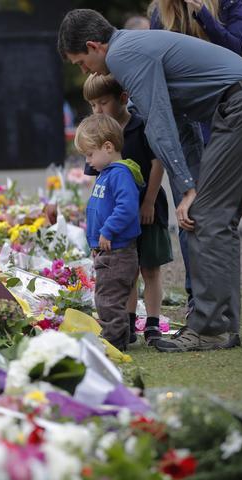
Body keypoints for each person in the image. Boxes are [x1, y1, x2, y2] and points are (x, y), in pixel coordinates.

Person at [58, 9, 242, 352]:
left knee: (205, 215)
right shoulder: (135, 46)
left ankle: (211, 328)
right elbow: (180, 122)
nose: (86, 71)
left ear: (93, 45)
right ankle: (223, 325)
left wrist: (188, 189)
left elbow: (158, 122)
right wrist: (193, 183)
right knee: (216, 217)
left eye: (82, 62)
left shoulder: (123, 54)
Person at [149, 0, 242, 314]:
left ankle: (224, 299)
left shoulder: (230, 3)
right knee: (187, 214)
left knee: (220, 216)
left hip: (223, 117)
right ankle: (197, 297)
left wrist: (204, 17)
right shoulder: (159, 11)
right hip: (183, 122)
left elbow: (236, 49)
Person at [82, 73, 172, 346]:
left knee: (150, 268)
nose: (98, 110)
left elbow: (158, 163)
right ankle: (129, 323)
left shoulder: (140, 127)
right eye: (92, 105)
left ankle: (153, 324)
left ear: (122, 98)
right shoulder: (98, 138)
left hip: (148, 208)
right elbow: (98, 182)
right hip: (118, 221)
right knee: (127, 271)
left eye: (102, 102)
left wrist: (148, 202)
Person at [75, 114, 142, 351]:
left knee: (108, 299)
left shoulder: (120, 174)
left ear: (108, 147)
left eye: (90, 154)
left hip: (118, 250)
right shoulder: (106, 173)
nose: (88, 160)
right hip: (108, 250)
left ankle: (113, 341)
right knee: (106, 295)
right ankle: (119, 338)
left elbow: (127, 207)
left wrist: (108, 231)